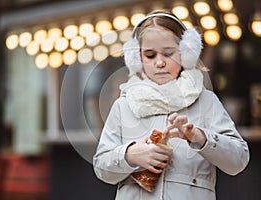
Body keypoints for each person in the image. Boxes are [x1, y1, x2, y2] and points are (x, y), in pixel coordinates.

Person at [93, 10, 250, 200]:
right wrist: (129, 155)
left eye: (168, 53)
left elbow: (238, 161)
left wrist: (200, 137)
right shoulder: (124, 105)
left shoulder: (206, 102)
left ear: (186, 53)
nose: (159, 62)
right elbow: (101, 167)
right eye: (150, 55)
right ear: (137, 58)